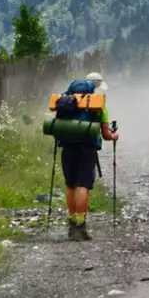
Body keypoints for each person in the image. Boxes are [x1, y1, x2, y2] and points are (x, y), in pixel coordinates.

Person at [51, 72, 118, 242]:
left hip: (67, 148)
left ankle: (72, 223)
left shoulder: (66, 103)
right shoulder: (98, 105)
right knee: (83, 185)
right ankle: (81, 226)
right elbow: (105, 134)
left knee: (70, 185)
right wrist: (114, 136)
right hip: (87, 150)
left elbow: (57, 127)